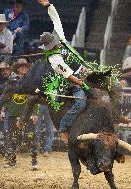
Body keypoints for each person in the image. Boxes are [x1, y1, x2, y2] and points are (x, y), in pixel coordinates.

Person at [38, 0, 90, 144]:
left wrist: (48, 6)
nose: (58, 43)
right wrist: (80, 82)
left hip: (83, 69)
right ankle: (63, 128)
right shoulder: (54, 59)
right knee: (80, 104)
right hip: (70, 80)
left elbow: (56, 19)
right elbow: (68, 75)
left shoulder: (59, 36)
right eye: (55, 44)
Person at [0, 58, 37, 167]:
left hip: (27, 114)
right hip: (13, 113)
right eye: (21, 66)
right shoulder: (12, 81)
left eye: (25, 66)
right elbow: (7, 96)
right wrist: (3, 109)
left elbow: (34, 98)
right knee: (13, 138)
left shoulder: (31, 81)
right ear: (18, 69)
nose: (24, 68)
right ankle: (12, 161)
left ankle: (34, 160)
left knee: (30, 137)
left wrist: (35, 113)